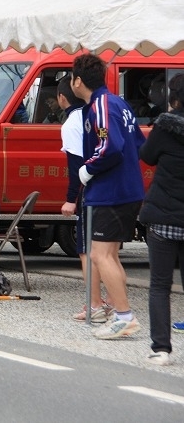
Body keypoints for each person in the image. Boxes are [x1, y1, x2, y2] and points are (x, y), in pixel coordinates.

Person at [71, 53, 145, 339]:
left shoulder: (100, 104)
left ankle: (124, 316)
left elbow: (109, 146)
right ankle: (117, 312)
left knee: (100, 255)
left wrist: (88, 169)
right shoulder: (119, 102)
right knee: (110, 255)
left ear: (78, 81)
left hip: (110, 192)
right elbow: (137, 142)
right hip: (128, 189)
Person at [57, 75, 112, 322]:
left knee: (86, 251)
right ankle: (111, 300)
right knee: (108, 251)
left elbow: (76, 166)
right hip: (112, 189)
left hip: (91, 192)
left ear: (61, 98)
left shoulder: (72, 123)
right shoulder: (100, 112)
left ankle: (94, 303)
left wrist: (71, 199)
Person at [138, 73, 184, 365]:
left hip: (164, 218)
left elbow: (147, 155)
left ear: (173, 97)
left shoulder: (164, 128)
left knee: (159, 286)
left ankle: (162, 349)